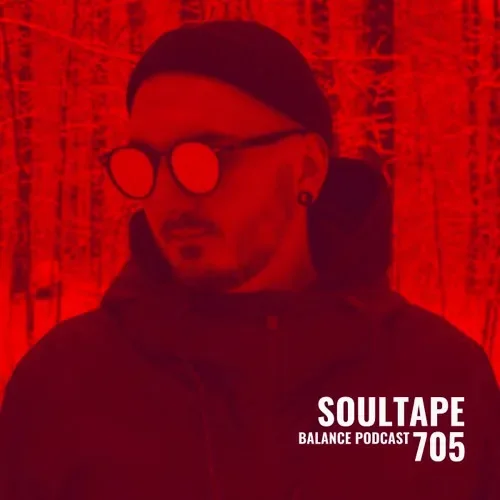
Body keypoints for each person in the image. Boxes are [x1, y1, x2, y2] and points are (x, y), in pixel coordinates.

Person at [1, 20, 498, 500]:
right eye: (147, 162)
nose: (169, 194)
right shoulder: (64, 389)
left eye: (207, 155)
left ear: (307, 167)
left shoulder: (441, 384)